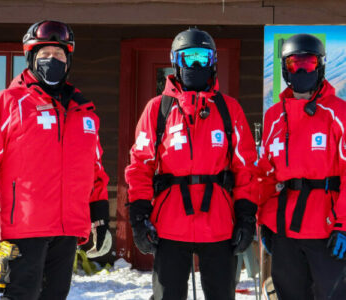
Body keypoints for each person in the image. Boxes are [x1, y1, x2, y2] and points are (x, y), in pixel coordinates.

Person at [0, 20, 111, 300]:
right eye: (44, 54)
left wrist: (99, 219)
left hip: (69, 228)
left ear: (68, 60)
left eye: (59, 55)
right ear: (31, 57)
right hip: (25, 227)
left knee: (56, 295)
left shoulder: (84, 112)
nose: (52, 60)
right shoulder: (9, 102)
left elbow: (95, 171)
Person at [125, 28, 258, 300]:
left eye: (202, 58)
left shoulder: (228, 109)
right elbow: (140, 166)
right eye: (188, 58)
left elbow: (246, 169)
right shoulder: (158, 109)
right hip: (170, 223)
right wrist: (139, 217)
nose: (195, 65)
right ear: (176, 61)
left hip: (219, 223)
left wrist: (245, 217)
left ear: (213, 62)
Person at [257, 34, 346, 300]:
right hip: (284, 229)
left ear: (320, 66)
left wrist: (343, 224)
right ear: (285, 68)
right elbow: (264, 175)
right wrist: (264, 220)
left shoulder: (338, 112)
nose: (303, 70)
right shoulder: (274, 116)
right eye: (296, 64)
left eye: (309, 63)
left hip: (328, 229)